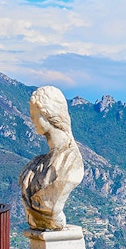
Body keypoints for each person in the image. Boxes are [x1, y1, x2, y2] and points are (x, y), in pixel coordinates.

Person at [19, 86, 84, 230]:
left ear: (49, 113)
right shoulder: (38, 162)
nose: (32, 119)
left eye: (34, 114)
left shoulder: (71, 161)